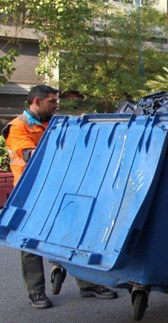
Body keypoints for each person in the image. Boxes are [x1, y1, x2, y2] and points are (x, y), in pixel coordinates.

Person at [2, 84, 118, 309]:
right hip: (30, 193)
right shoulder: (17, 126)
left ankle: (87, 284)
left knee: (73, 236)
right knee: (29, 242)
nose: (56, 106)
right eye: (52, 101)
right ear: (36, 101)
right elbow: (29, 154)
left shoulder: (56, 123)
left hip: (59, 189)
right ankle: (36, 291)